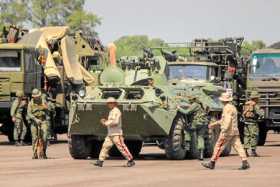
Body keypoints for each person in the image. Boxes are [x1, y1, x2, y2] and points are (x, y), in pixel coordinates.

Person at [202, 92, 250, 170]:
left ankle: (212, 162)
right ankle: (245, 162)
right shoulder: (232, 107)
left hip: (227, 132)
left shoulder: (226, 108)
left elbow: (227, 120)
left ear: (223, 100)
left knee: (218, 146)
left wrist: (224, 130)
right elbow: (223, 120)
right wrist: (214, 124)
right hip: (234, 131)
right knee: (238, 146)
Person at [93, 97, 135, 167]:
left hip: (116, 133)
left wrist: (106, 123)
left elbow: (115, 122)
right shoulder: (111, 111)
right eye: (108, 103)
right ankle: (100, 161)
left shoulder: (116, 111)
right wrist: (106, 121)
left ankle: (130, 160)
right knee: (105, 146)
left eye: (111, 103)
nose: (109, 104)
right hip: (110, 133)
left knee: (121, 147)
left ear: (114, 104)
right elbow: (112, 121)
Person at [178, 96, 208, 160]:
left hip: (196, 123)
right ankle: (201, 155)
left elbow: (187, 112)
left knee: (187, 130)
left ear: (193, 100)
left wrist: (179, 108)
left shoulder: (194, 105)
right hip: (203, 123)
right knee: (200, 137)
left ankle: (187, 147)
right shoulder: (200, 105)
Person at [27, 89, 50, 159]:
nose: (37, 97)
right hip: (34, 121)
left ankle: (43, 152)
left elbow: (48, 110)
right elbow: (29, 113)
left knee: (45, 137)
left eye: (38, 96)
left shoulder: (43, 101)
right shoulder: (30, 103)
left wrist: (46, 108)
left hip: (43, 121)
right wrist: (35, 119)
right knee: (34, 138)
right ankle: (34, 153)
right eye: (35, 96)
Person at [242, 91, 264, 157]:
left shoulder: (246, 104)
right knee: (254, 136)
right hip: (253, 123)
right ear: (256, 98)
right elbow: (260, 114)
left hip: (246, 122)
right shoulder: (255, 105)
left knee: (246, 136)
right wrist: (261, 116)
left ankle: (245, 151)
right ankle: (253, 151)